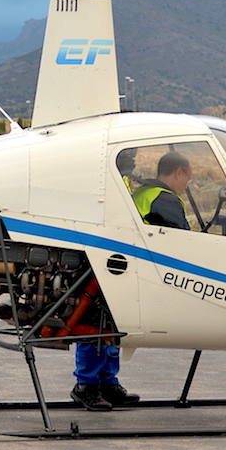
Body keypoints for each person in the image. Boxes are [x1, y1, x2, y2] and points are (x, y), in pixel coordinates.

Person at [70, 151, 192, 411]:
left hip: (122, 268)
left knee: (112, 325)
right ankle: (86, 385)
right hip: (125, 270)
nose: (186, 187)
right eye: (187, 180)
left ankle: (106, 382)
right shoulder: (164, 199)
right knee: (100, 325)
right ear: (179, 172)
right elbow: (184, 241)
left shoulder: (143, 192)